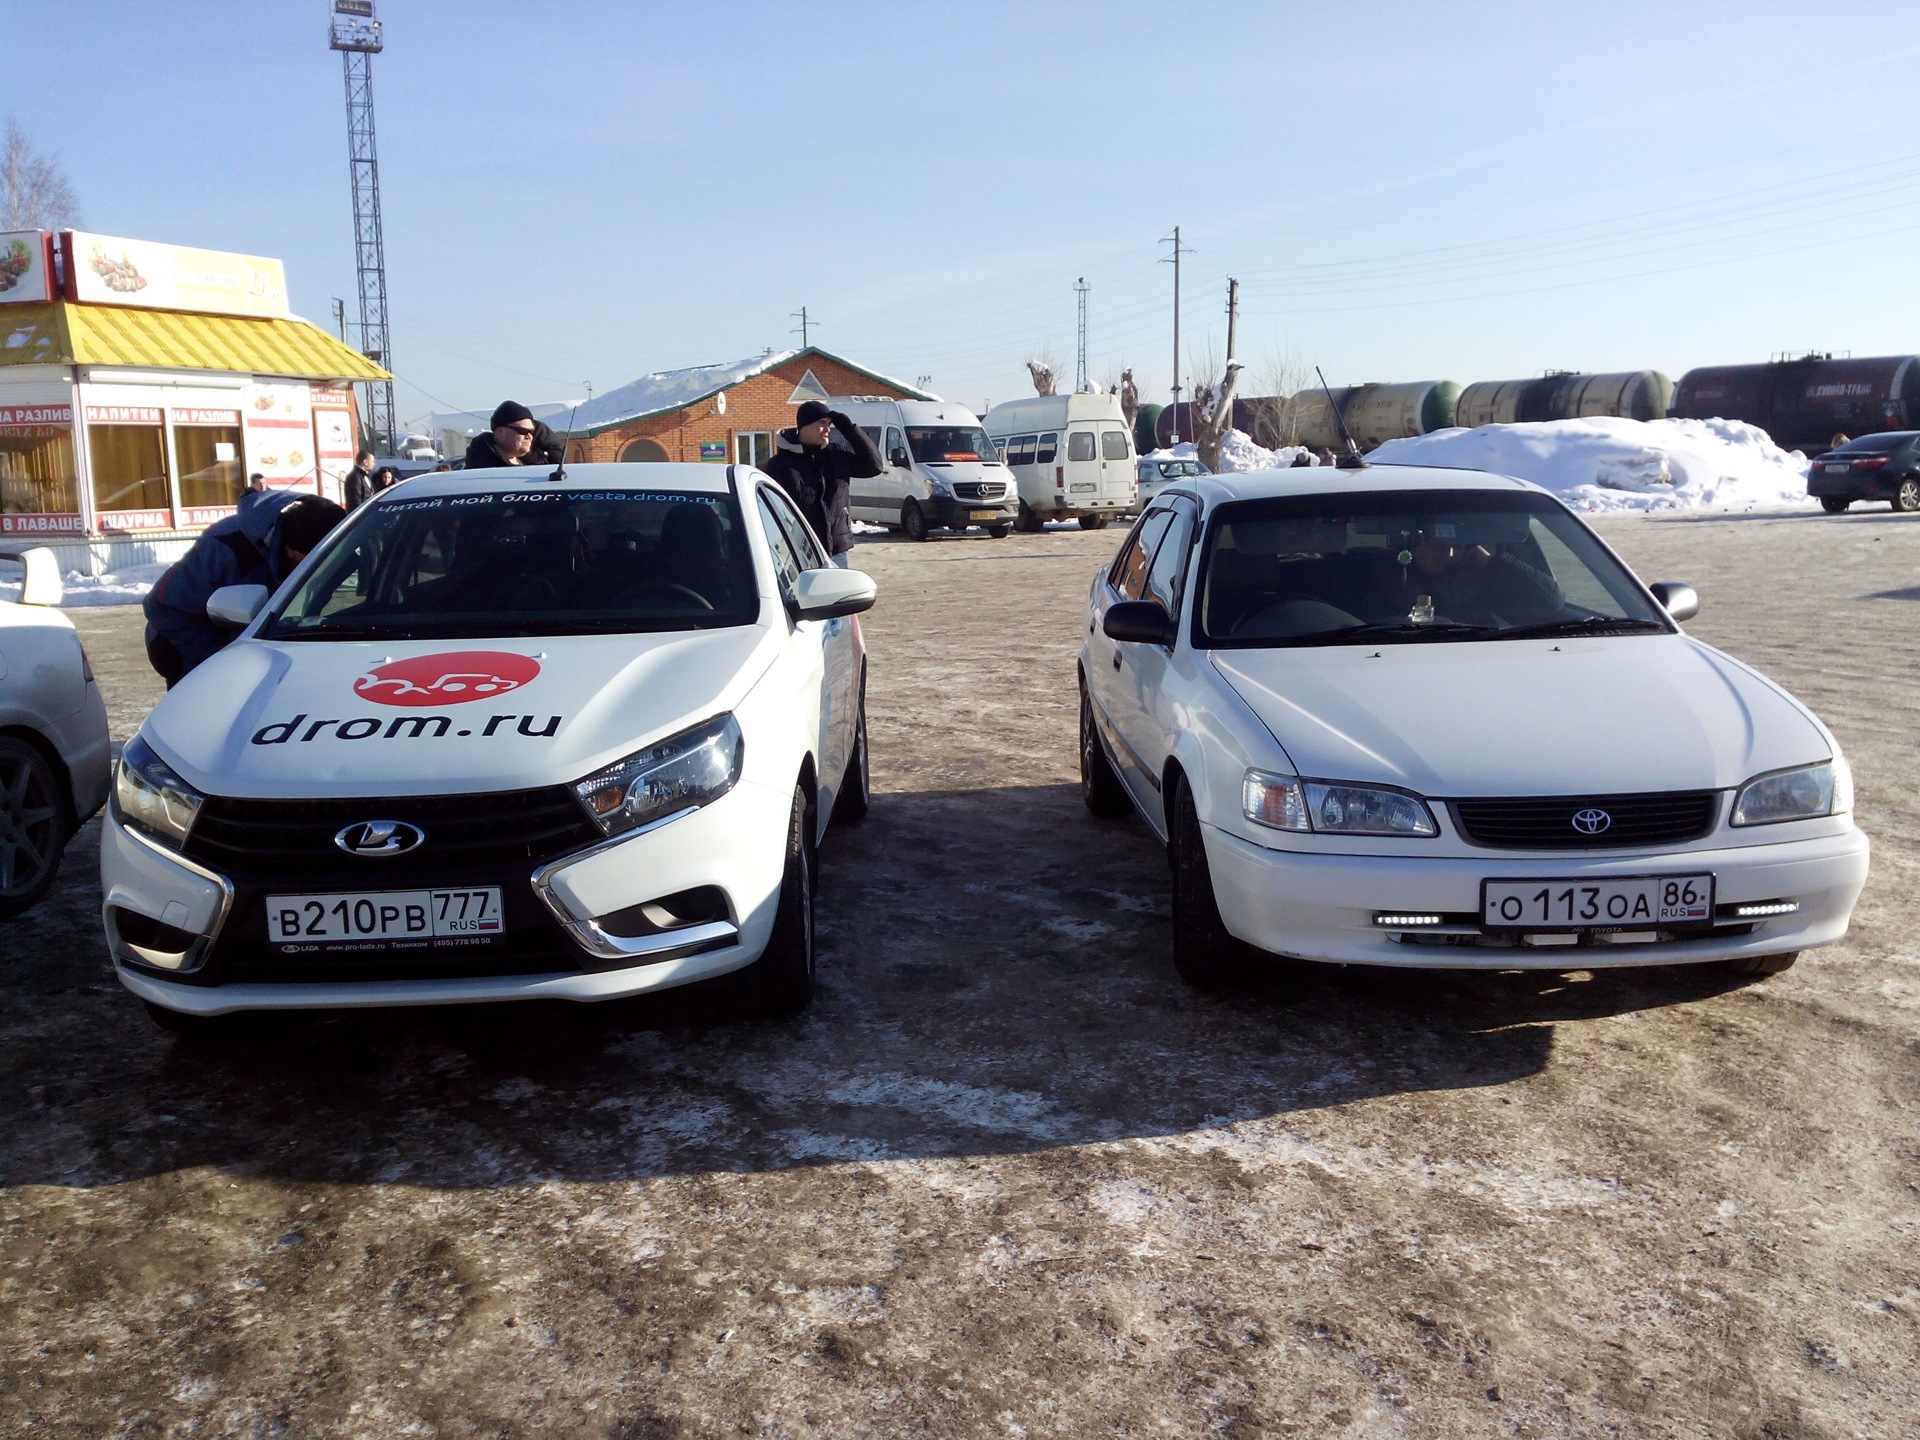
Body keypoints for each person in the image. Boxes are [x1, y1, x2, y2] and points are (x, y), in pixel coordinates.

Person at [142, 491, 346, 687]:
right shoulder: (223, 550)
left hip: (261, 655)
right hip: (186, 647)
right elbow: (159, 606)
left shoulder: (337, 549)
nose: (327, 568)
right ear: (291, 550)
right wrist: (218, 659)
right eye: (316, 562)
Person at [762, 400, 883, 563]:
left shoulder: (836, 455)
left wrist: (849, 429)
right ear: (805, 425)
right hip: (798, 552)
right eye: (822, 423)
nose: (827, 429)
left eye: (830, 425)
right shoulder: (780, 464)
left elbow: (874, 466)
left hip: (837, 551)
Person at [464, 401, 565, 469]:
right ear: (500, 432)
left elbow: (559, 468)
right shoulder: (481, 468)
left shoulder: (534, 463)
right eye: (523, 431)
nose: (529, 436)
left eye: (532, 432)